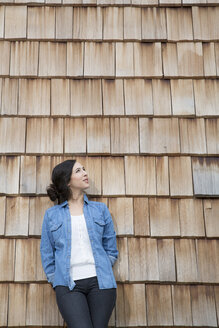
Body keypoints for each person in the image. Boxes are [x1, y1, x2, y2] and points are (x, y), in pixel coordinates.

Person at [40, 159, 119, 328]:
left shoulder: (101, 210)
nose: (85, 173)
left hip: (101, 282)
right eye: (78, 171)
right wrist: (56, 280)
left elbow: (111, 249)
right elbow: (47, 253)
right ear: (67, 181)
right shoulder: (52, 215)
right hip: (68, 285)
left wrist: (103, 265)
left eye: (84, 169)